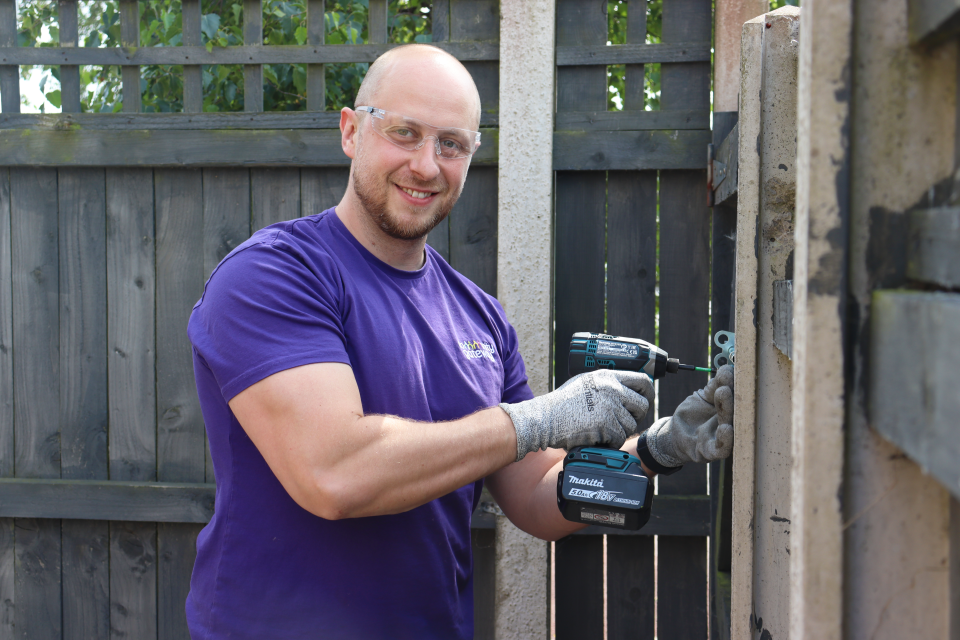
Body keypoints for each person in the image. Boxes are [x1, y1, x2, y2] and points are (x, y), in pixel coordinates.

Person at [185, 43, 734, 640]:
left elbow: (534, 498)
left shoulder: (480, 316)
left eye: (451, 144)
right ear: (350, 130)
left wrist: (660, 448)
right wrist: (534, 420)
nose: (426, 165)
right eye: (404, 133)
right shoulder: (276, 274)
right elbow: (334, 473)